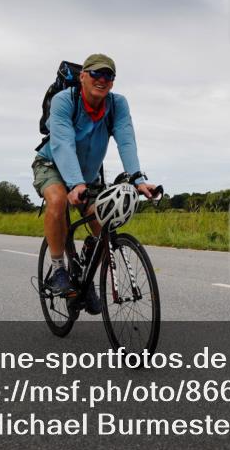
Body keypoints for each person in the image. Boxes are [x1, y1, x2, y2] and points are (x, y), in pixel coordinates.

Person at [32, 53, 155, 306]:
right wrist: (75, 183)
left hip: (87, 176)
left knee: (104, 224)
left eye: (108, 75)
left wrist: (138, 179)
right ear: (83, 76)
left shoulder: (117, 104)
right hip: (52, 164)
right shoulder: (65, 100)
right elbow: (63, 144)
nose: (102, 79)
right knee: (57, 202)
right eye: (96, 74)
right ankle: (58, 271)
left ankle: (86, 277)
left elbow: (126, 140)